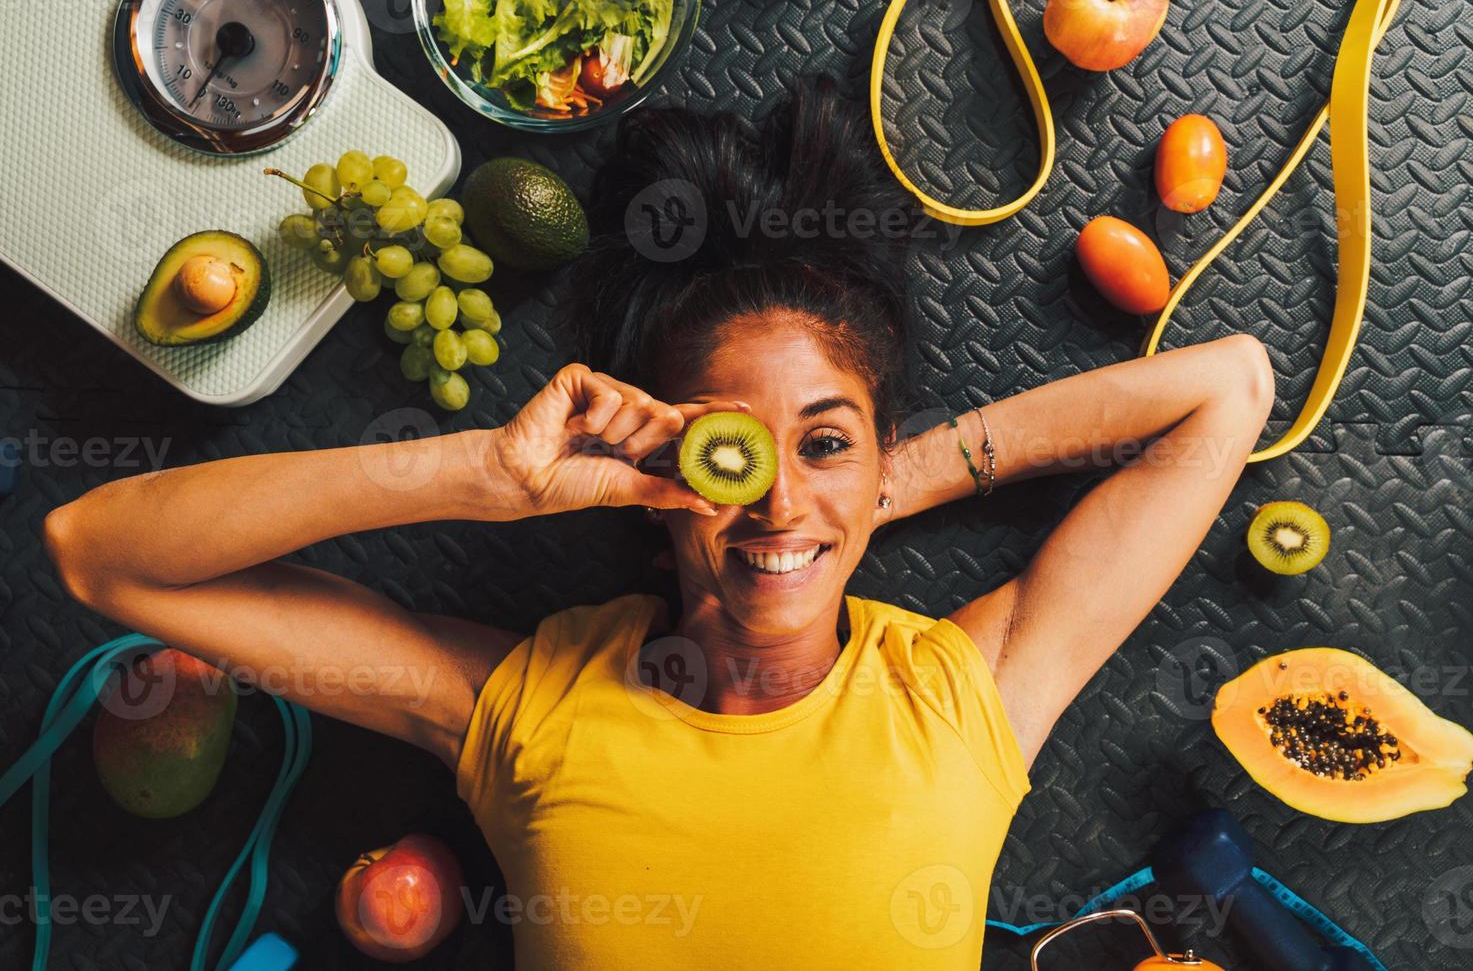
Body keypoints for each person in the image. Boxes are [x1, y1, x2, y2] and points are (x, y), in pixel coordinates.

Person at [43, 78, 1273, 969]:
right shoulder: (526, 702)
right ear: (659, 466)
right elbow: (97, 552)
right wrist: (486, 472)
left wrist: (864, 489)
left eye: (824, 438)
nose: (776, 496)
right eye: (731, 443)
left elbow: (1228, 387)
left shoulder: (966, 690)